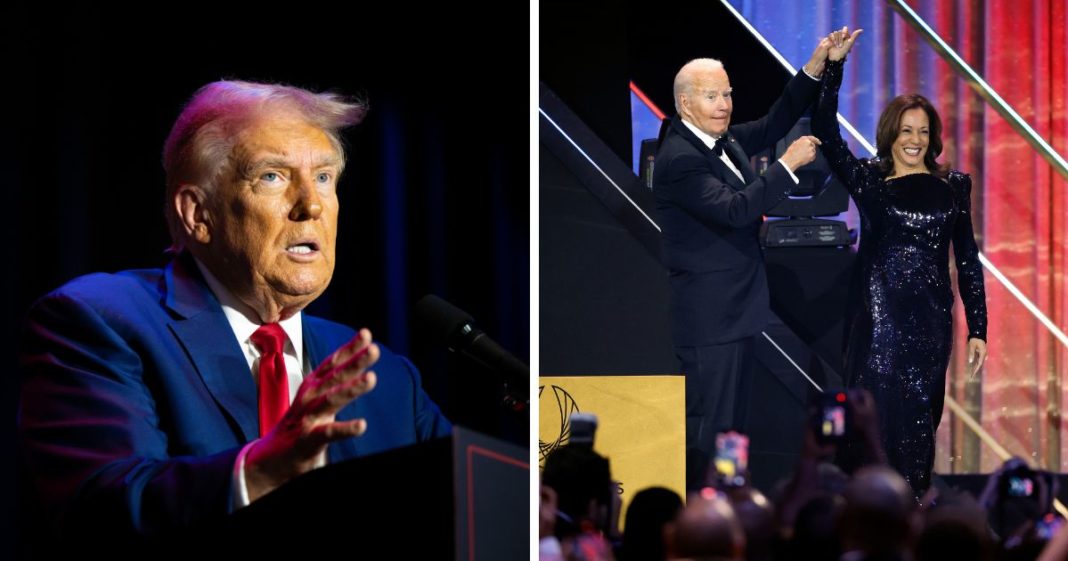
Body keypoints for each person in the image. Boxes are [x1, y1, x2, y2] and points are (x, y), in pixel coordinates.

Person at [17, 81, 451, 552]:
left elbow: (460, 509)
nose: (311, 205)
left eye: (324, 177)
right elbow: (101, 514)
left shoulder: (385, 378)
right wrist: (264, 469)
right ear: (198, 214)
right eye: (272, 176)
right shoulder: (101, 321)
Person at [810, 27, 988, 496]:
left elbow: (967, 260)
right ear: (891, 134)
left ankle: (909, 516)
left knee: (917, 426)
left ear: (933, 139)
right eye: (907, 131)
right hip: (877, 323)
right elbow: (826, 132)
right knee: (874, 422)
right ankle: (869, 514)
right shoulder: (870, 181)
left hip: (930, 327)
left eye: (923, 132)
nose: (915, 140)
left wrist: (979, 328)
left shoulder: (955, 187)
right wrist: (834, 68)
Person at [652, 39, 831, 468]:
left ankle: (730, 505)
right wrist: (785, 166)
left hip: (737, 313)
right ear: (685, 103)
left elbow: (772, 125)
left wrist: (813, 68)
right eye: (712, 96)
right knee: (713, 431)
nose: (724, 104)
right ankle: (706, 519)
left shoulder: (719, 139)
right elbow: (735, 211)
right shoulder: (680, 159)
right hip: (711, 323)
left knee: (732, 431)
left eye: (727, 93)